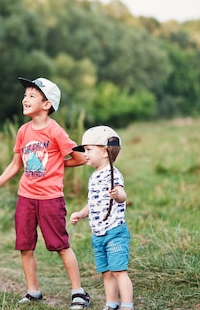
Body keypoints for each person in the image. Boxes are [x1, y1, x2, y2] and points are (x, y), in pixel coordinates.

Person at [0, 77, 91, 309]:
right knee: (25, 245)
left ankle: (78, 292)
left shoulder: (55, 131)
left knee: (60, 244)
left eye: (32, 95)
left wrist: (56, 164)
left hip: (50, 198)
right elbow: (15, 164)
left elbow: (79, 158)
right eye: (25, 95)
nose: (25, 99)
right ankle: (33, 292)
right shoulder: (23, 131)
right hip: (26, 198)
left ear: (47, 104)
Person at [70, 126, 134, 310]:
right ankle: (111, 303)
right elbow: (94, 202)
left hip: (114, 232)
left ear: (105, 152)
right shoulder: (94, 176)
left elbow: (122, 194)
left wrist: (118, 195)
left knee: (119, 271)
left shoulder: (113, 173)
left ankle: (127, 305)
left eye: (89, 150)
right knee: (106, 273)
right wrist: (82, 214)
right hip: (98, 234)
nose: (85, 154)